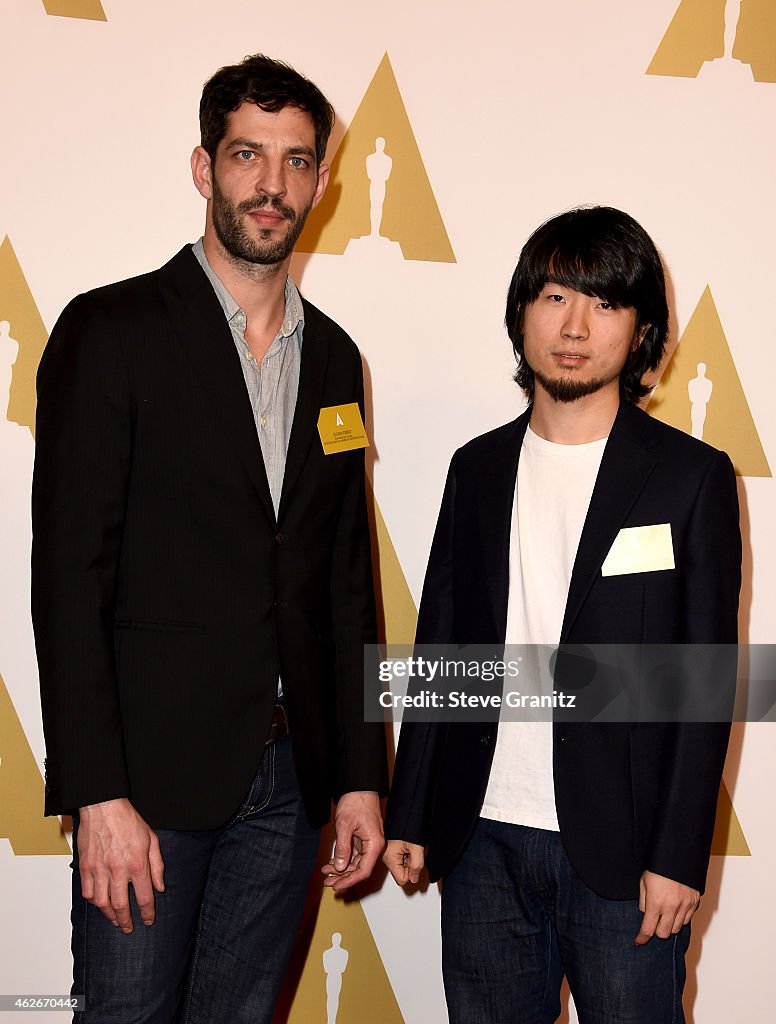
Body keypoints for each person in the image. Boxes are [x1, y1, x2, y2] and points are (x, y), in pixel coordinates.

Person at [32, 53, 387, 1024]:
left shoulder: (338, 361)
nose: (271, 186)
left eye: (295, 162)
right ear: (203, 169)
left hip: (288, 786)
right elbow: (69, 579)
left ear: (322, 182)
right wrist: (96, 794)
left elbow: (345, 582)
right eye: (246, 155)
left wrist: (358, 776)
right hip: (145, 784)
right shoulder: (110, 333)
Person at [383, 207, 740, 1023]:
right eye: (553, 297)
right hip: (480, 840)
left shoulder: (690, 478)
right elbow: (445, 646)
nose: (574, 326)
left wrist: (680, 857)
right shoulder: (475, 469)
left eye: (605, 303)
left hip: (625, 856)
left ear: (642, 329)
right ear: (521, 314)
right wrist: (413, 805)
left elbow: (703, 684)